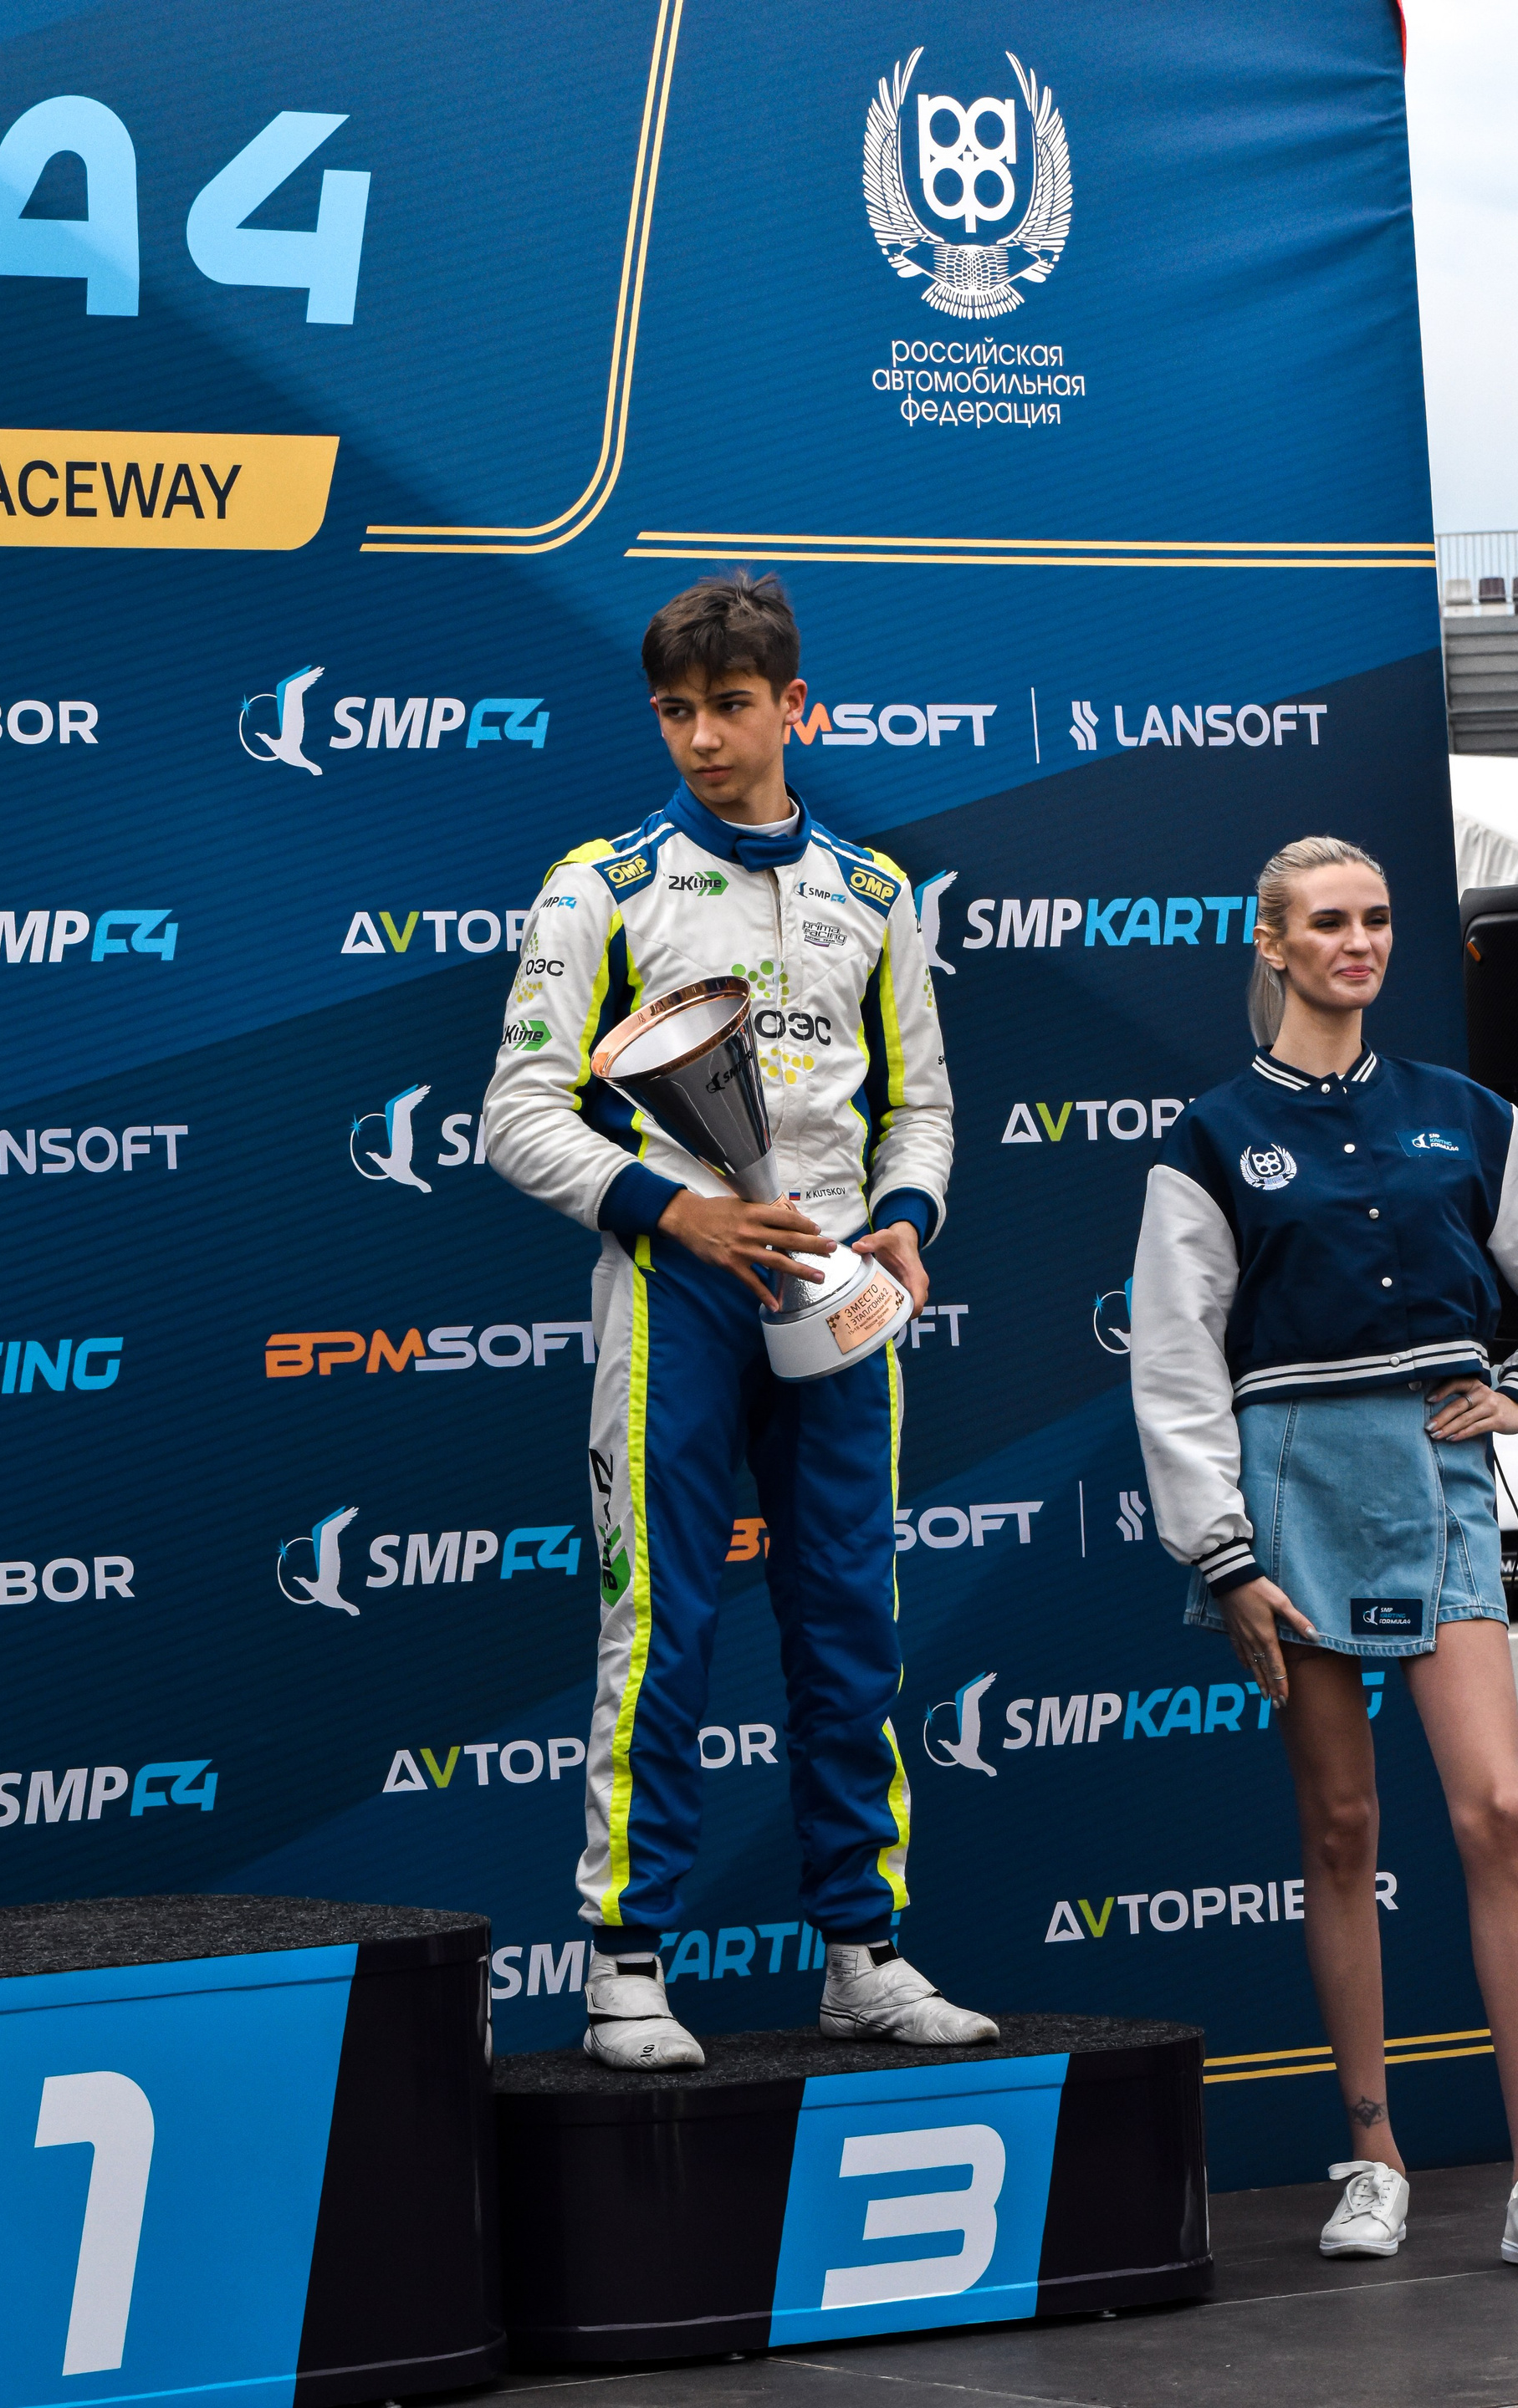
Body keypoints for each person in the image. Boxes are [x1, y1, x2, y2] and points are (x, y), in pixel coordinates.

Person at [483, 573, 995, 2067]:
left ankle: (862, 1953)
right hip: (676, 1294)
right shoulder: (601, 884)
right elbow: (516, 1114)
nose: (702, 739)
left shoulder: (877, 894)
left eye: (729, 707)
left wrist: (906, 1220)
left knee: (850, 1623)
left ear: (794, 708)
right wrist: (678, 1211)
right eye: (676, 712)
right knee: (662, 1622)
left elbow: (922, 1105)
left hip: (837, 1295)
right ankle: (627, 1965)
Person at [1130, 834, 1518, 2262]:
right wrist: (1224, 1554)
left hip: (1443, 1478)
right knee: (1341, 1829)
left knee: (1502, 1811)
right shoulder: (1212, 1135)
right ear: (1274, 942)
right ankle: (1375, 2154)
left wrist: (1515, 1390)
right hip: (1290, 1487)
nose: (1360, 944)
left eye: (1378, 920)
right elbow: (1174, 1358)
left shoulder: (1470, 1115)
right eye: (1330, 923)